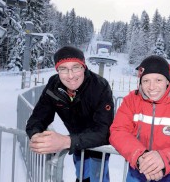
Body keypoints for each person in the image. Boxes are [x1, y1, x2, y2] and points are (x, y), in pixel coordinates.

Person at [26, 46, 114, 182]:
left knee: (98, 176)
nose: (71, 75)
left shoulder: (100, 87)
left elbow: (104, 131)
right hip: (76, 142)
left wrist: (66, 141)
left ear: (84, 66)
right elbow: (38, 117)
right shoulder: (54, 86)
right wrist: (36, 135)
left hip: (98, 144)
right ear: (57, 70)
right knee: (82, 175)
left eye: (76, 67)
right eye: (63, 69)